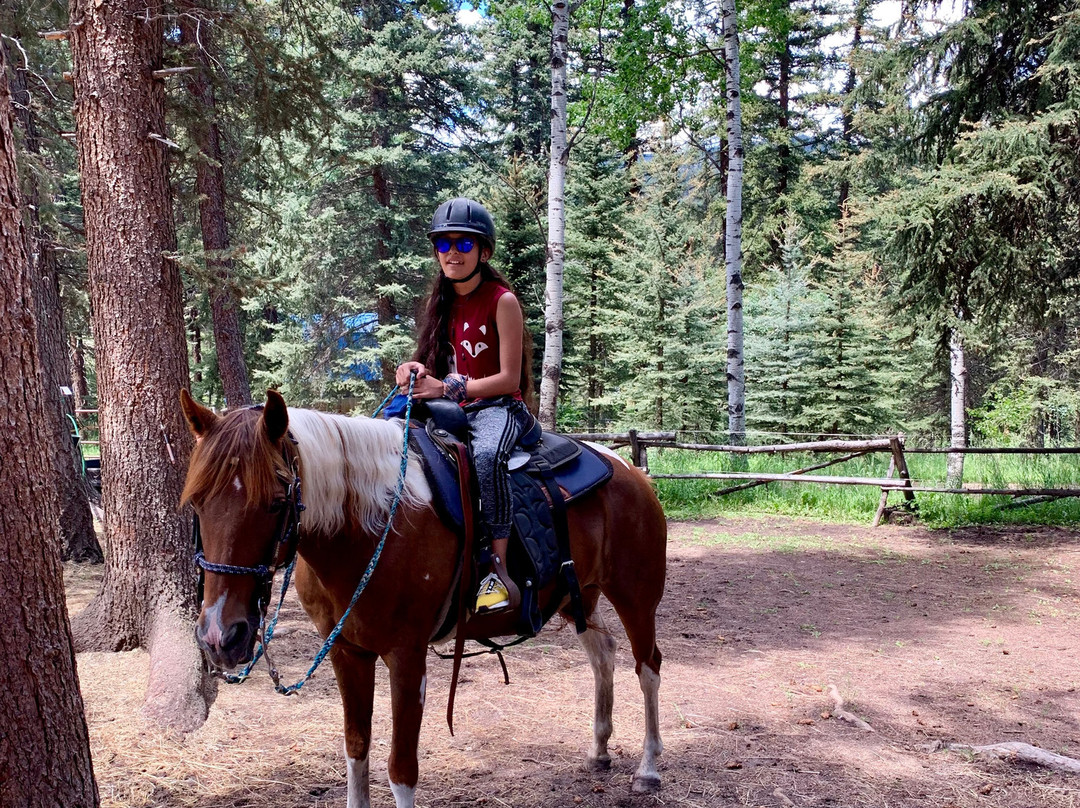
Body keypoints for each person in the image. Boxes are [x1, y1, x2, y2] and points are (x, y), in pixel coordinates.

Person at [396, 197, 534, 614]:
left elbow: (510, 379)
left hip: (499, 409)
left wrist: (448, 389)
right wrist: (413, 370)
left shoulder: (502, 300)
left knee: (489, 455)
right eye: (443, 244)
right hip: (450, 409)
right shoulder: (441, 302)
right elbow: (435, 366)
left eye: (463, 244)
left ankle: (498, 570)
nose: (452, 252)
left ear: (484, 251)